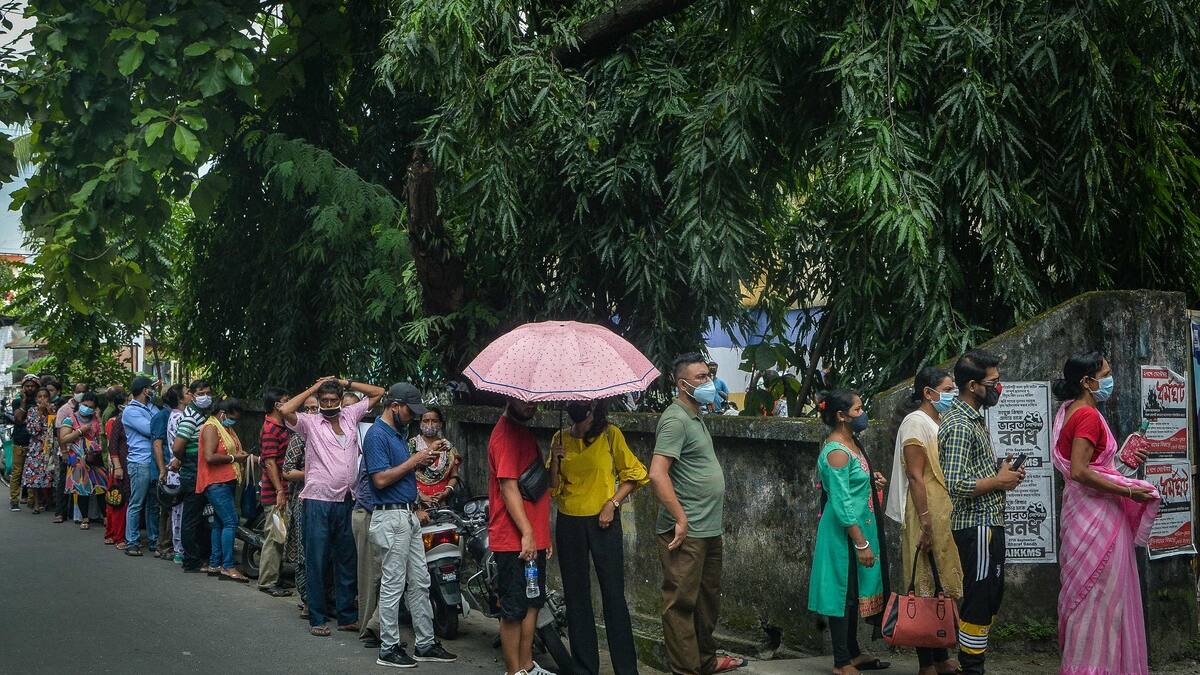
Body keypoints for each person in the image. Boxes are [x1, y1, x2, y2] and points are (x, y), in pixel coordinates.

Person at [1050, 352, 1159, 675]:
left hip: (1085, 513)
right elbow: (1081, 471)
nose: (1111, 380)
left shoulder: (1071, 410)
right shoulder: (1087, 416)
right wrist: (1128, 489)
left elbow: (1096, 466)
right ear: (1087, 381)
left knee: (1094, 603)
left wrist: (1122, 462)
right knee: (1101, 602)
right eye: (1106, 373)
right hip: (1097, 520)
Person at [648, 353, 744, 675]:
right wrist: (680, 518)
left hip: (707, 529)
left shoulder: (695, 415)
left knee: (706, 601)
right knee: (680, 605)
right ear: (682, 384)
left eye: (708, 375)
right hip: (685, 532)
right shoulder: (675, 419)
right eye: (700, 378)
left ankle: (704, 661)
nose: (708, 382)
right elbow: (657, 473)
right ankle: (686, 670)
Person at [938, 349, 1025, 675]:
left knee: (989, 595)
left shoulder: (973, 420)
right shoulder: (959, 425)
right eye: (994, 382)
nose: (998, 388)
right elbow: (957, 483)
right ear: (973, 385)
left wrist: (1001, 477)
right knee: (979, 597)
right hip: (977, 525)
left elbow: (974, 475)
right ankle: (971, 668)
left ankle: (971, 664)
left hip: (988, 522)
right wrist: (998, 480)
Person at [280, 376, 385, 637]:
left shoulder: (350, 415)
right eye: (324, 400)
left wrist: (345, 383)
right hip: (317, 500)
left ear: (339, 400)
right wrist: (314, 388)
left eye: (332, 400)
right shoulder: (310, 422)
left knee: (346, 559)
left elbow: (378, 392)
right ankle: (317, 616)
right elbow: (284, 410)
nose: (328, 404)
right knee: (317, 560)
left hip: (346, 499)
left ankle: (346, 615)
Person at [548, 399, 647, 675]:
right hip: (569, 523)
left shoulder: (610, 435)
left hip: (603, 522)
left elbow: (635, 474)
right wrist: (554, 462)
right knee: (576, 595)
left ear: (592, 407)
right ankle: (584, 667)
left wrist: (612, 504)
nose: (573, 408)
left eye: (579, 404)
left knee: (613, 594)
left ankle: (626, 669)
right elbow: (553, 489)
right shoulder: (560, 438)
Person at [365, 382, 457, 667]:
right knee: (394, 584)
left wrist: (422, 460)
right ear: (394, 406)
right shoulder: (377, 435)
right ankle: (389, 648)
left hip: (407, 515)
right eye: (410, 411)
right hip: (390, 516)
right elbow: (380, 479)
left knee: (420, 581)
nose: (414, 417)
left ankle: (425, 642)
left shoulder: (396, 434)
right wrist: (414, 460)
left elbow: (402, 474)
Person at [884, 368, 963, 675]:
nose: (952, 393)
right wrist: (926, 522)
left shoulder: (937, 421)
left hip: (939, 512)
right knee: (922, 585)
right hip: (923, 513)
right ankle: (925, 663)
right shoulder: (915, 423)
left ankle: (941, 656)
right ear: (929, 393)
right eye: (947, 388)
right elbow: (916, 477)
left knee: (940, 583)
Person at [807, 390, 890, 675]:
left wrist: (871, 481)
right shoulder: (837, 452)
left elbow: (853, 487)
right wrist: (861, 543)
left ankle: (853, 652)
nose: (862, 413)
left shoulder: (852, 443)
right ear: (841, 416)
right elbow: (841, 503)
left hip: (856, 530)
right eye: (858, 409)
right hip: (844, 534)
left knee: (853, 593)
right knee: (842, 595)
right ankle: (841, 661)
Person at [488, 397, 555, 675]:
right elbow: (508, 488)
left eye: (534, 402)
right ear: (509, 398)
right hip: (513, 538)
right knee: (514, 609)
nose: (531, 406)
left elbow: (541, 486)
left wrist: (540, 536)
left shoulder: (523, 433)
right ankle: (513, 671)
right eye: (525, 401)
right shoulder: (504, 435)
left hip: (533, 538)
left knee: (532, 603)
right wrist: (528, 532)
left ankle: (527, 665)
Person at [197, 399, 250, 581]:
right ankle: (227, 566)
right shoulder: (211, 427)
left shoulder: (225, 428)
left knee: (219, 523)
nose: (234, 421)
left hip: (226, 481)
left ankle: (215, 563)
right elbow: (210, 456)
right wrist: (233, 458)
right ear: (223, 414)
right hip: (216, 482)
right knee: (231, 522)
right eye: (232, 418)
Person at [171, 380, 215, 572]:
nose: (206, 396)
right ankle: (191, 559)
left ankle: (199, 555)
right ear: (192, 394)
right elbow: (178, 447)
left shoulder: (201, 415)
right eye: (201, 392)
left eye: (208, 392)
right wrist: (182, 459)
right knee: (191, 517)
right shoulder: (190, 417)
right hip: (192, 472)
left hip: (200, 472)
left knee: (200, 516)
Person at [257, 386, 295, 597]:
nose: (289, 403)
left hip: (280, 492)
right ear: (277, 405)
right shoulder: (271, 428)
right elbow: (270, 463)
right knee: (274, 536)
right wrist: (280, 490)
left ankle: (274, 577)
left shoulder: (281, 425)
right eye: (286, 400)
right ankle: (268, 581)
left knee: (279, 536)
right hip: (275, 494)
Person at [283, 395, 318, 619]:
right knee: (306, 551)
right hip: (304, 500)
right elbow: (287, 470)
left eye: (316, 408)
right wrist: (314, 474)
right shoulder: (300, 437)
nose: (313, 413)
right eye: (308, 409)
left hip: (330, 500)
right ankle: (306, 599)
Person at [122, 376, 162, 556]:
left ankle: (154, 540)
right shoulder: (130, 411)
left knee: (153, 503)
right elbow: (151, 430)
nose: (153, 391)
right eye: (151, 388)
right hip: (140, 461)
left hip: (153, 461)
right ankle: (132, 541)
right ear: (145, 390)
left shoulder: (150, 407)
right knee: (137, 502)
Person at [58, 391, 107, 530]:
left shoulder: (96, 419)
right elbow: (63, 438)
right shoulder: (70, 419)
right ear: (80, 404)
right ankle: (84, 518)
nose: (87, 408)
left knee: (101, 489)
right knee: (81, 490)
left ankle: (105, 516)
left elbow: (101, 436)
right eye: (85, 405)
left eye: (91, 407)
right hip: (78, 460)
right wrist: (80, 431)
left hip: (95, 459)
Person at [152, 385, 185, 561]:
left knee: (174, 512)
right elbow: (158, 444)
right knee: (174, 512)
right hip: (175, 469)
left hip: (173, 468)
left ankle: (173, 547)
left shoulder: (173, 415)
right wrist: (163, 470)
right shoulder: (175, 417)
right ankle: (173, 548)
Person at [411, 406, 463, 510]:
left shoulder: (449, 448)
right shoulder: (411, 446)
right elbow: (404, 474)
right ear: (420, 423)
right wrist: (420, 496)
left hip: (441, 502)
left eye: (434, 421)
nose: (429, 425)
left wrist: (445, 492)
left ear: (440, 424)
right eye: (426, 421)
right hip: (416, 501)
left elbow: (454, 476)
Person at [20, 385, 54, 513]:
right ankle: (36, 503)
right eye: (40, 397)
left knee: (49, 475)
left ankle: (49, 501)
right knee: (35, 476)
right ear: (36, 399)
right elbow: (33, 430)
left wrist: (50, 413)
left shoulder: (53, 410)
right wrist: (40, 413)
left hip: (50, 447)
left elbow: (55, 428)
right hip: (36, 447)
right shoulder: (32, 411)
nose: (43, 399)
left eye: (45, 396)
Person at [9, 374, 39, 511]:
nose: (30, 388)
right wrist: (23, 402)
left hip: (35, 442)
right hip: (20, 441)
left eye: (32, 386)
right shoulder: (17, 402)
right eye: (27, 386)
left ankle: (32, 501)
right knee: (17, 472)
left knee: (33, 472)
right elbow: (18, 419)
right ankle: (14, 500)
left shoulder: (39, 401)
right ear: (23, 388)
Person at [105, 392, 131, 547]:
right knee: (117, 501)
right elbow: (111, 446)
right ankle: (116, 535)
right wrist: (116, 466)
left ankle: (122, 535)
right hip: (118, 466)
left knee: (126, 501)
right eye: (128, 401)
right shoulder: (115, 421)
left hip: (129, 465)